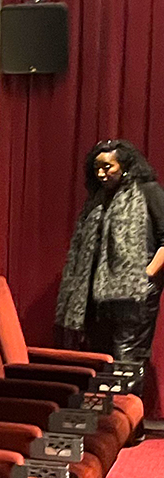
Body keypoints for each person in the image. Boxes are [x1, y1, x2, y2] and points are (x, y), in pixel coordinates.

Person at [54, 139, 164, 366]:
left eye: (108, 167)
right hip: (98, 295)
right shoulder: (97, 200)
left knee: (127, 357)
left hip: (136, 295)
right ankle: (105, 401)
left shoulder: (148, 191)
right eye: (97, 169)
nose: (102, 174)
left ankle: (126, 401)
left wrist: (147, 273)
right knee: (100, 356)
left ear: (124, 166)